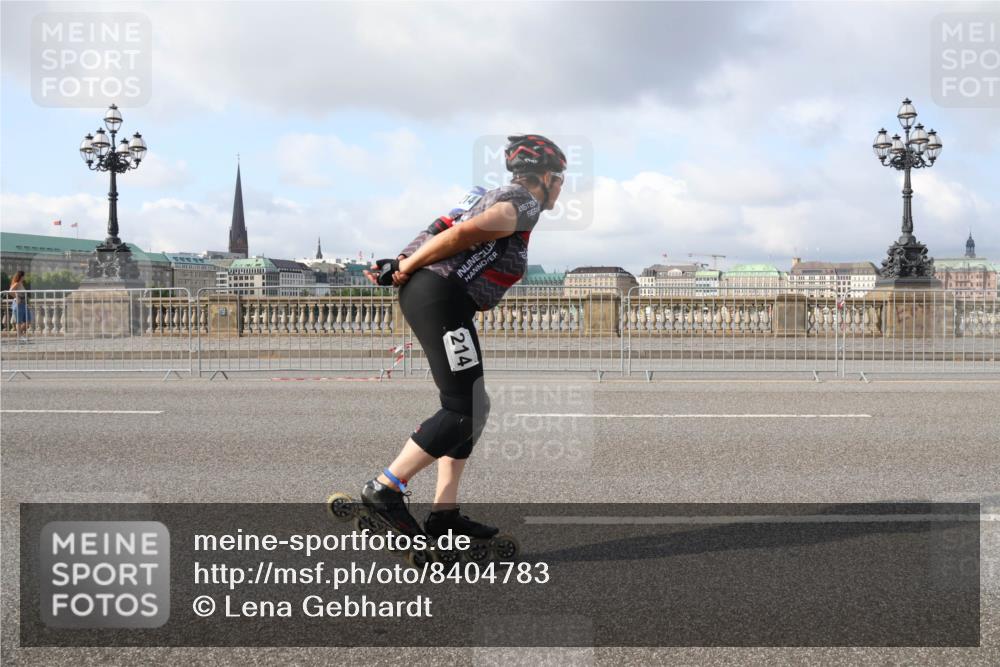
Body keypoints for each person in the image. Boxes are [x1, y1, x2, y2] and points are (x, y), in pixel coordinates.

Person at [359, 134, 567, 540]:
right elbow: (461, 235)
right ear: (544, 177)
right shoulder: (525, 203)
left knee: (474, 405)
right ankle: (385, 489)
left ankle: (445, 513)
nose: (561, 187)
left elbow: (441, 225)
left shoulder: (484, 194)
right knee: (463, 408)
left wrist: (400, 261)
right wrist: (406, 267)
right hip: (441, 297)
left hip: (440, 297)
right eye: (560, 179)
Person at [8, 270, 32, 343]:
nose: (25, 277)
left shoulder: (21, 284)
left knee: (28, 321)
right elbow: (10, 291)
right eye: (24, 276)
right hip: (18, 304)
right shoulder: (17, 283)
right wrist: (16, 297)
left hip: (24, 304)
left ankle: (19, 335)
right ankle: (19, 336)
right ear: (21, 276)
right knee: (19, 321)